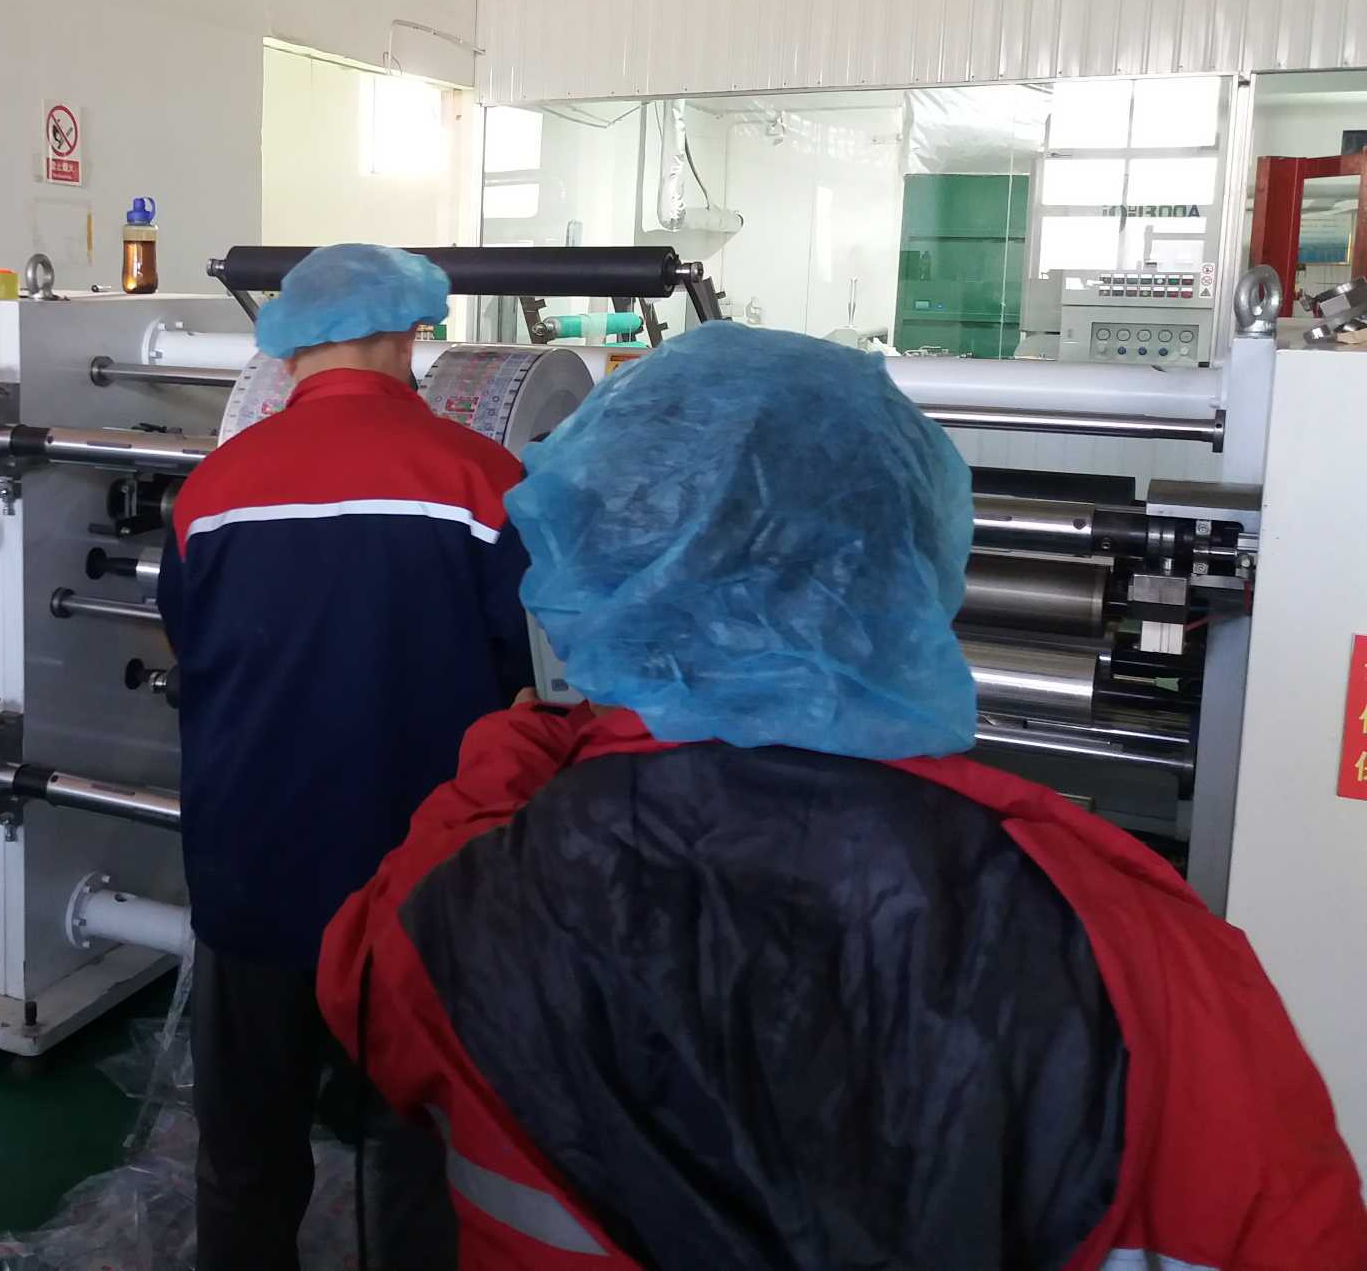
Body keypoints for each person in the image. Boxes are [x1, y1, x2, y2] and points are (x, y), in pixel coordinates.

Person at [318, 323, 1367, 1271]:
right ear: (911, 553)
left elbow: (363, 987)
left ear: (600, 559)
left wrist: (514, 748)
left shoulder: (464, 900)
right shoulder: (1133, 950)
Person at [157, 243, 533, 1271]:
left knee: (246, 1150)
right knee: (413, 1156)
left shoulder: (213, 490)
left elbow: (192, 645)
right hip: (418, 884)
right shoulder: (484, 480)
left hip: (251, 868)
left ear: (287, 348)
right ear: (410, 336)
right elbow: (529, 681)